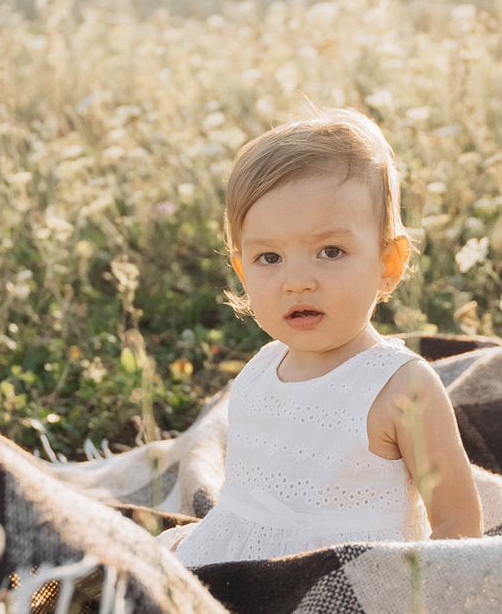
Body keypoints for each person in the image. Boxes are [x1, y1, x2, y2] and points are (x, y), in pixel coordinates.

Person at [165, 109, 483, 568]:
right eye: (269, 258)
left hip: (345, 586)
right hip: (233, 568)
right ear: (242, 272)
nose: (296, 281)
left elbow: (458, 527)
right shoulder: (258, 371)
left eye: (330, 252)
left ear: (387, 263)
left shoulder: (400, 387)